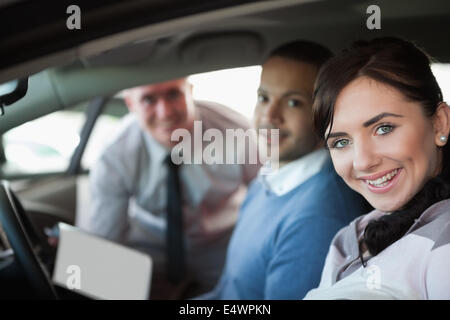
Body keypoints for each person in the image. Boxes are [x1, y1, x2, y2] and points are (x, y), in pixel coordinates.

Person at [198, 41, 369, 300]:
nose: (269, 115)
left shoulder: (317, 217)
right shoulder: (270, 178)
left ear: (326, 112)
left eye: (293, 103)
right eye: (263, 98)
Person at [82, 78, 260, 298]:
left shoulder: (236, 131)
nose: (165, 112)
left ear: (190, 92)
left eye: (174, 94)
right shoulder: (114, 154)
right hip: (151, 249)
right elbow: (107, 240)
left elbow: (268, 197)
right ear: (131, 105)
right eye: (149, 99)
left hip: (225, 245)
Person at [304, 37, 450, 299]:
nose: (362, 161)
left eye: (384, 129)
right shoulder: (350, 237)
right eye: (341, 142)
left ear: (439, 123)